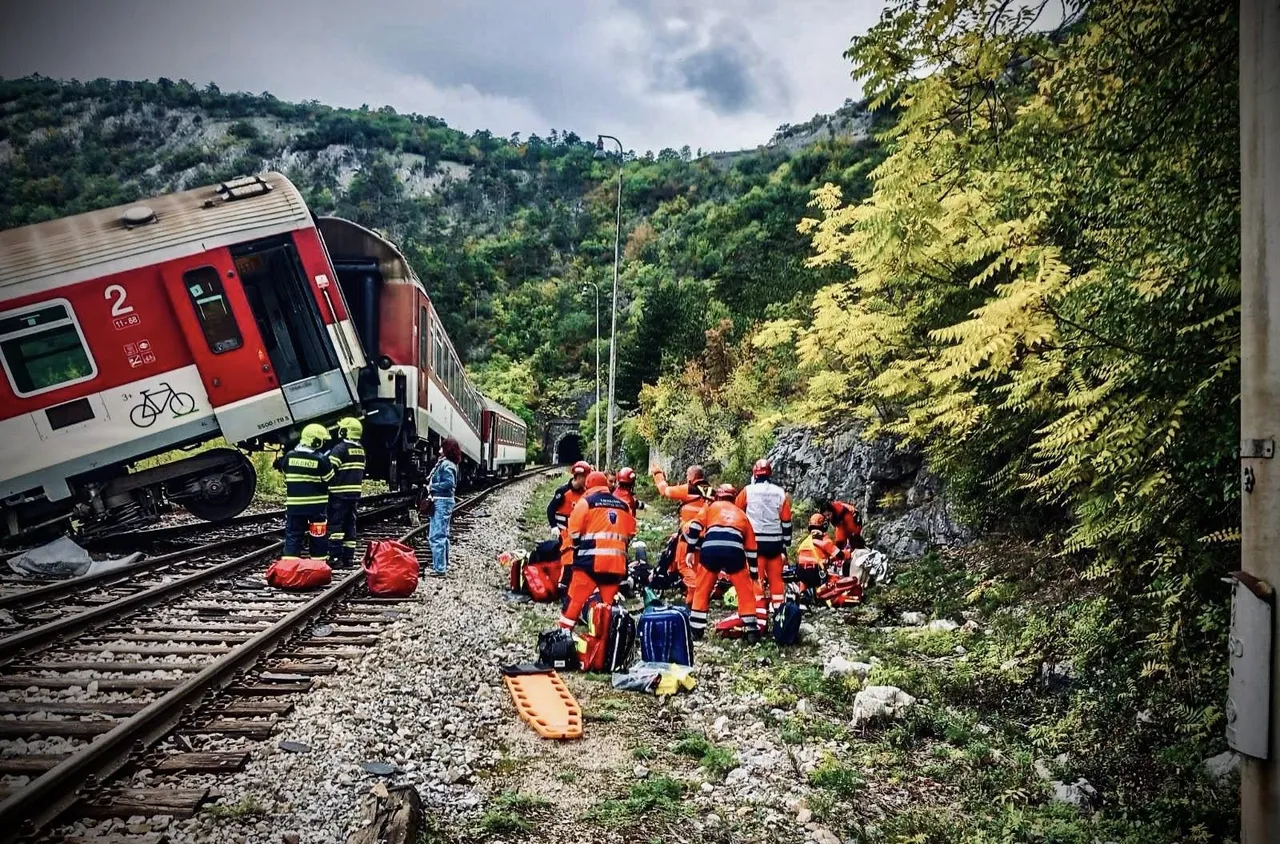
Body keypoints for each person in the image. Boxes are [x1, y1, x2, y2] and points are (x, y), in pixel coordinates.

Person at [558, 471, 637, 630]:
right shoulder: (624, 505)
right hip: (615, 566)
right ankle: (605, 641)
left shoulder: (585, 502)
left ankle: (563, 635)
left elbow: (573, 533)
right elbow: (631, 532)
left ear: (588, 486)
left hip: (589, 564)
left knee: (574, 602)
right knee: (607, 607)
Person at [684, 484, 760, 642]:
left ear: (718, 496)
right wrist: (753, 572)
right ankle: (751, 630)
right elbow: (752, 548)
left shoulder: (711, 507)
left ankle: (696, 631)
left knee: (702, 589)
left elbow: (695, 526)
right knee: (744, 591)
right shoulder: (742, 515)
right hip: (734, 551)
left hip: (711, 549)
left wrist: (690, 550)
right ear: (734, 498)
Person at [735, 458, 792, 628]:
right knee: (776, 580)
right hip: (775, 543)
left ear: (755, 473)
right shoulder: (780, 493)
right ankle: (780, 614)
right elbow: (786, 520)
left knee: (756, 579)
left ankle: (759, 615)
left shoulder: (748, 491)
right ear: (770, 473)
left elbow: (737, 511)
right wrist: (786, 543)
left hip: (755, 543)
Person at [650, 464, 715, 603]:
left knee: (684, 566)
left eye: (687, 476)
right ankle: (691, 602)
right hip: (704, 536)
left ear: (692, 477)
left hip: (688, 535)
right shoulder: (710, 491)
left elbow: (664, 490)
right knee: (695, 568)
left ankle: (700, 591)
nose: (686, 478)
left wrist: (657, 474)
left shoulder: (688, 489)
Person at [278, 423, 335, 559]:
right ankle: (318, 565)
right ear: (315, 441)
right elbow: (330, 479)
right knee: (318, 536)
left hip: (294, 506)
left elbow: (285, 472)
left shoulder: (289, 456)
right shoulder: (321, 459)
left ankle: (290, 566)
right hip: (316, 508)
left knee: (293, 535)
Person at [324, 417, 366, 568]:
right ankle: (348, 558)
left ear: (345, 431)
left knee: (335, 526)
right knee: (350, 525)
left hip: (338, 495)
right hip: (353, 495)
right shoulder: (360, 450)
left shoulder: (340, 449)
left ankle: (335, 558)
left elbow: (330, 470)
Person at [548, 461, 592, 588]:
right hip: (564, 531)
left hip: (579, 532)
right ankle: (563, 584)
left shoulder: (585, 493)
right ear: (578, 477)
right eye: (585, 477)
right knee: (568, 556)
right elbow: (551, 509)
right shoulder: (563, 492)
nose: (587, 480)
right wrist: (554, 526)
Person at [426, 438, 462, 577]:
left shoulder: (446, 465)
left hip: (441, 501)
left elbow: (449, 483)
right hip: (444, 501)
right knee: (443, 534)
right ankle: (443, 565)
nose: (439, 448)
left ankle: (439, 568)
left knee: (436, 535)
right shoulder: (448, 463)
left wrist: (432, 487)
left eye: (442, 446)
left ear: (447, 449)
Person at [796, 513, 840, 596]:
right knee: (834, 578)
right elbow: (840, 555)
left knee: (803, 581)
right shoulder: (824, 539)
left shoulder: (805, 541)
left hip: (801, 572)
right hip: (816, 573)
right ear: (824, 525)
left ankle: (802, 594)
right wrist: (849, 553)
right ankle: (825, 596)